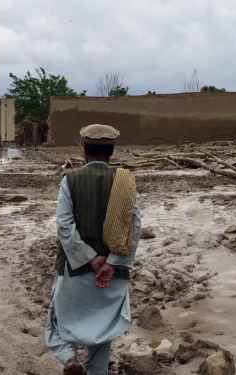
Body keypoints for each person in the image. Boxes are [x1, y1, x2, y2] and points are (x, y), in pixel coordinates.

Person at [45, 124, 141, 375]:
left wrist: (91, 259)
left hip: (74, 270)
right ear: (112, 150)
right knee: (102, 330)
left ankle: (69, 359)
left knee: (58, 320)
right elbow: (134, 226)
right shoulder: (125, 181)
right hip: (112, 276)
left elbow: (65, 227)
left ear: (84, 149)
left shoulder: (70, 180)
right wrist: (111, 262)